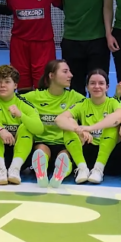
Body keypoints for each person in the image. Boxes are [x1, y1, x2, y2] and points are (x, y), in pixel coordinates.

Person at [55, 69, 121, 184]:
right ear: (87, 87)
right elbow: (59, 119)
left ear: (107, 87)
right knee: (69, 126)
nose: (97, 86)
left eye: (101, 83)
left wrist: (90, 128)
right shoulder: (82, 104)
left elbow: (119, 117)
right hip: (88, 158)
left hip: (113, 161)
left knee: (114, 126)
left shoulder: (114, 102)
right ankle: (82, 169)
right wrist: (78, 129)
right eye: (93, 83)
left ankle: (99, 169)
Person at [3, 0, 62, 90]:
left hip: (43, 44)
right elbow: (11, 11)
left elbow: (63, 6)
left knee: (44, 85)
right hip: (19, 45)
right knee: (22, 84)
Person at [22, 60, 85, 188]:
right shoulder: (34, 97)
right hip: (41, 142)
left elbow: (94, 105)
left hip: (66, 142)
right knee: (41, 150)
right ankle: (43, 170)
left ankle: (58, 172)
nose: (71, 75)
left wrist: (117, 95)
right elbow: (12, 100)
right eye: (65, 71)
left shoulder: (75, 97)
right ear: (51, 75)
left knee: (65, 153)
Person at [0, 65, 43, 185]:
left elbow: (39, 128)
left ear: (15, 85)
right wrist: (0, 130)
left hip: (20, 158)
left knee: (25, 127)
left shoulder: (23, 104)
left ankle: (15, 169)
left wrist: (21, 116)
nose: (2, 85)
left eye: (7, 82)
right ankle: (0, 170)